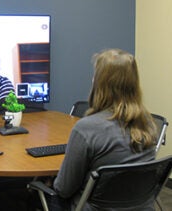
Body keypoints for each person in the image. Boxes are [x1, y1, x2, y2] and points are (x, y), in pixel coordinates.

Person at [52, 49, 158, 210]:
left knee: (43, 193)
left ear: (99, 83)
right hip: (140, 207)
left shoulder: (86, 128)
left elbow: (64, 188)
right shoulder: (148, 124)